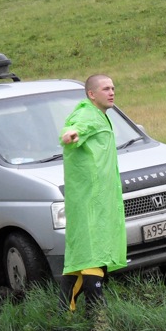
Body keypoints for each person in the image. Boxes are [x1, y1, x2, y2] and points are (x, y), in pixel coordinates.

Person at [58, 74, 127, 312]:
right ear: (91, 94)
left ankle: (65, 315)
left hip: (98, 199)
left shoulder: (100, 115)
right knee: (92, 254)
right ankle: (98, 315)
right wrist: (71, 134)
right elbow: (75, 128)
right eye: (106, 89)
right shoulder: (86, 113)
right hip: (90, 200)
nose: (112, 92)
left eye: (113, 88)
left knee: (85, 258)